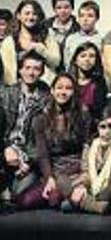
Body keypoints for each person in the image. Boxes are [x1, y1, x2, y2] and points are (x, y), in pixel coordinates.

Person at [16, 73, 91, 210]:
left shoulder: (83, 114)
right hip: (54, 170)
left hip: (77, 170)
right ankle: (71, 198)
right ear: (52, 90)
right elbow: (43, 154)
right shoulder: (40, 118)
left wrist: (84, 175)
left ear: (74, 92)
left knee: (54, 199)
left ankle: (73, 194)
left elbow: (87, 146)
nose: (63, 92)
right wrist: (49, 178)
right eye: (59, 88)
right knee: (25, 201)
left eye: (68, 88)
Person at [1, 52, 52, 199]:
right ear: (20, 70)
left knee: (17, 193)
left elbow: (44, 139)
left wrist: (26, 160)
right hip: (6, 150)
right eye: (27, 67)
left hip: (29, 156)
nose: (31, 72)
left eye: (36, 69)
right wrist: (6, 149)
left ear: (42, 72)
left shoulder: (47, 99)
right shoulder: (5, 94)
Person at [76, 109, 111, 214]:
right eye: (103, 127)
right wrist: (82, 185)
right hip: (93, 187)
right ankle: (97, 204)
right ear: (97, 127)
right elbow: (85, 170)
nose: (107, 131)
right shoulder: (90, 145)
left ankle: (96, 202)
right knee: (66, 205)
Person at [1, 0, 62, 86]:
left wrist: (41, 49)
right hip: (18, 90)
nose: (30, 17)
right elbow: (7, 72)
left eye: (34, 14)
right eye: (27, 13)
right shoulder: (9, 42)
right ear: (18, 15)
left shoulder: (48, 35)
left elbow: (56, 62)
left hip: (45, 88)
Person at [68, 42, 107, 123]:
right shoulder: (67, 80)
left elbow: (99, 110)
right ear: (75, 60)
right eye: (83, 56)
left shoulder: (100, 82)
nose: (87, 59)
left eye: (92, 56)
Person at [62, 0, 101, 72]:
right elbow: (67, 65)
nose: (85, 19)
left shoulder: (102, 40)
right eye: (82, 16)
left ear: (97, 18)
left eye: (90, 16)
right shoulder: (70, 39)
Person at [46, 0, 79, 71]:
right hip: (48, 71)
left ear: (72, 8)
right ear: (54, 9)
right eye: (59, 8)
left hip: (70, 72)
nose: (63, 11)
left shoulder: (78, 29)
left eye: (66, 7)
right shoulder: (45, 26)